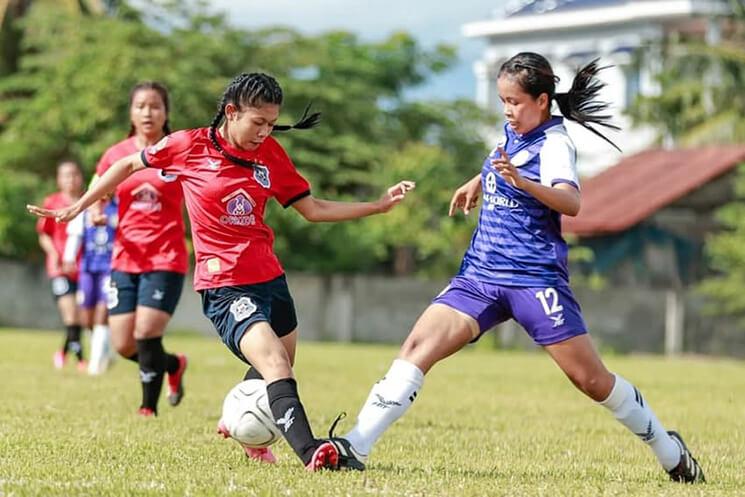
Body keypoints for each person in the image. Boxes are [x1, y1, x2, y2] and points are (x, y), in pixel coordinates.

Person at [327, 53, 706, 484]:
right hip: (481, 274)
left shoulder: (556, 143)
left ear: (542, 101)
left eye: (515, 102)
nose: (507, 110)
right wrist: (479, 179)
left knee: (591, 380)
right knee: (417, 348)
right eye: (503, 101)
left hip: (534, 280)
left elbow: (572, 202)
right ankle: (356, 445)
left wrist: (522, 184)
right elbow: (505, 158)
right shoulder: (514, 130)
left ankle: (669, 449)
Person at [27, 72, 415, 471]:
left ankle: (240, 423)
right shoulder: (187, 146)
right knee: (276, 366)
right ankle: (312, 452)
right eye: (257, 122)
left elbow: (312, 208)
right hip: (225, 285)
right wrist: (78, 206)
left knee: (273, 371)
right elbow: (127, 163)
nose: (265, 132)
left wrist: (376, 206)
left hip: (271, 280)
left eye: (271, 123)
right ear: (231, 112)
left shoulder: (270, 154)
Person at [89, 82, 188, 416]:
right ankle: (173, 364)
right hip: (126, 257)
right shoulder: (116, 154)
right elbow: (97, 191)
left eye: (156, 105)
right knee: (123, 343)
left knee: (146, 331)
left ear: (166, 112)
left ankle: (148, 408)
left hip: (167, 257)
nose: (148, 112)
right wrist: (96, 211)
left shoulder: (179, 152)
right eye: (141, 106)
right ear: (131, 112)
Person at [37, 160, 85, 371]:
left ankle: (63, 352)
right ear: (59, 179)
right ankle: (81, 359)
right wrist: (54, 253)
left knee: (82, 316)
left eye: (74, 174)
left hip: (83, 268)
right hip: (59, 270)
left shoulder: (87, 202)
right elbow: (43, 235)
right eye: (66, 175)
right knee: (70, 313)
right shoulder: (52, 202)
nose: (71, 179)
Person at [63, 198, 118, 375]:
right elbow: (75, 235)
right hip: (88, 270)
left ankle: (95, 365)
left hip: (110, 269)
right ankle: (106, 351)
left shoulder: (118, 207)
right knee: (86, 318)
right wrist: (69, 258)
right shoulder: (84, 209)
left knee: (102, 314)